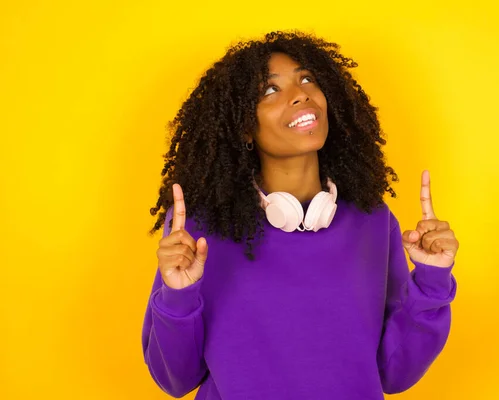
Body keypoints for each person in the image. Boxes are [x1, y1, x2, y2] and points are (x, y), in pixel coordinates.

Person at [141, 30, 459, 400]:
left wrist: (432, 282)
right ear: (244, 127)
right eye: (270, 90)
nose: (301, 93)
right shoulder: (198, 231)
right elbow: (175, 380)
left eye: (307, 79)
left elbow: (394, 373)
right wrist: (179, 295)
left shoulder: (372, 220)